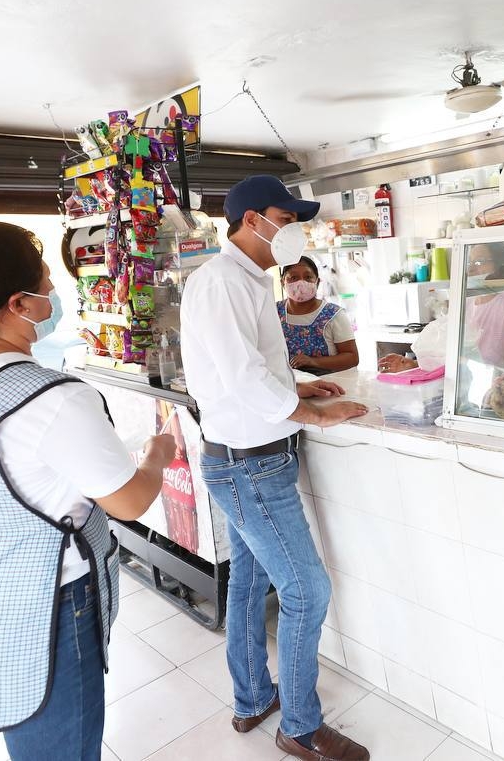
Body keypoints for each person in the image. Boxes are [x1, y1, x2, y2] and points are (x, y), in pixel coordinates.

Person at [0, 221, 175, 761]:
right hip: (48, 607)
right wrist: (159, 455)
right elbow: (130, 502)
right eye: (46, 282)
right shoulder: (50, 398)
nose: (55, 294)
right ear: (18, 303)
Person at [179, 175, 371, 761]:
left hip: (250, 458)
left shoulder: (244, 281)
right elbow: (240, 376)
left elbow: (257, 367)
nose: (293, 232)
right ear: (253, 219)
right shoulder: (221, 283)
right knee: (307, 591)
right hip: (250, 467)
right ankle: (302, 727)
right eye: (287, 219)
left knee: (249, 580)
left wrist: (306, 390)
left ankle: (251, 700)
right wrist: (313, 414)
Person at [377, 241, 504, 374]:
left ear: (502, 266)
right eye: (469, 263)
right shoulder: (465, 303)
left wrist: (482, 374)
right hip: (476, 389)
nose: (471, 269)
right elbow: (449, 356)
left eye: (479, 262)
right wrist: (413, 365)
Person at [279, 256, 359, 374]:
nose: (301, 283)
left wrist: (313, 362)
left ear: (317, 281)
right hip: (288, 386)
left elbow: (352, 358)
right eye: (293, 277)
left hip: (331, 386)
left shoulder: (333, 314)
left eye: (308, 277)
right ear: (282, 282)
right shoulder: (273, 312)